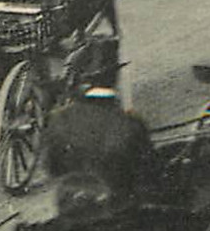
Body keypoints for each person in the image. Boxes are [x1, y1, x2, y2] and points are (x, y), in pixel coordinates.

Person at [43, 37, 155, 208]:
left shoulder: (60, 119)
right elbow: (148, 175)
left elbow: (53, 168)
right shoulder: (131, 124)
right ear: (115, 78)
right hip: (117, 215)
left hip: (72, 215)